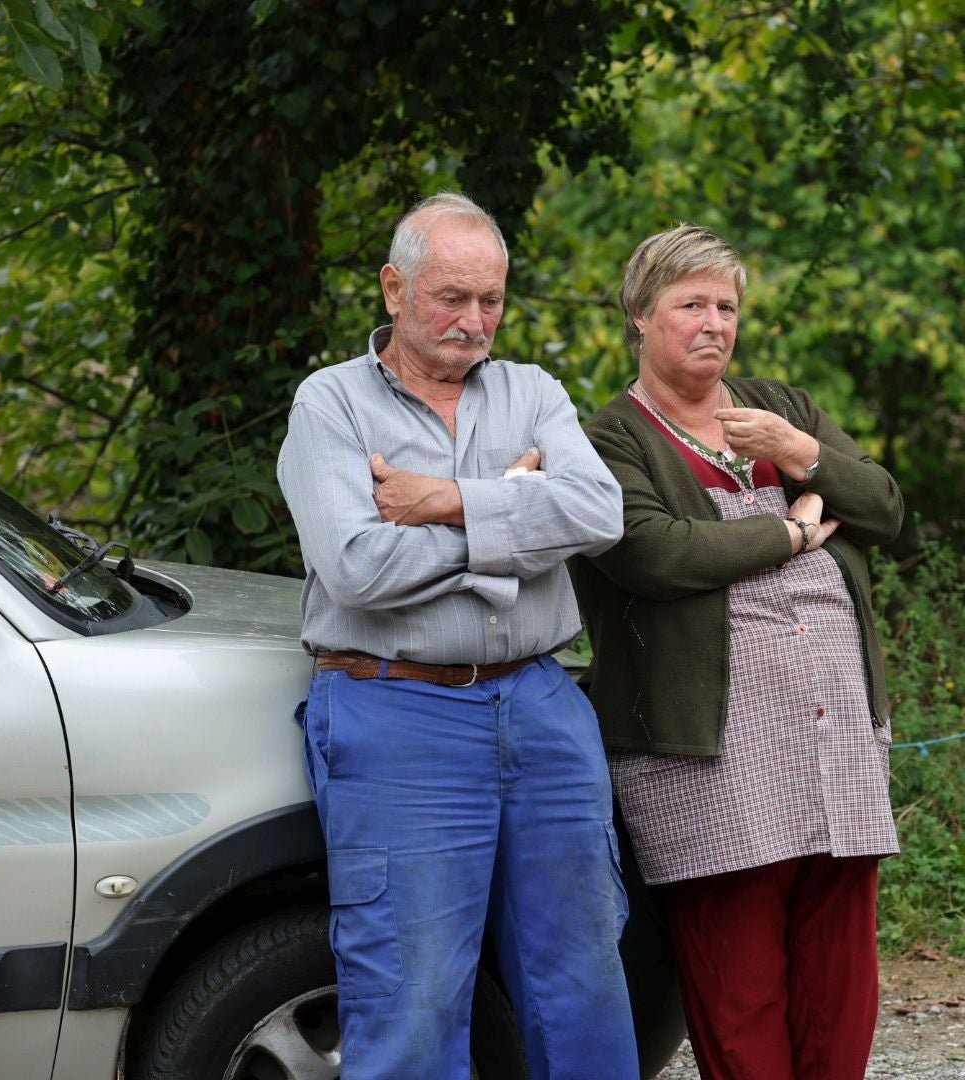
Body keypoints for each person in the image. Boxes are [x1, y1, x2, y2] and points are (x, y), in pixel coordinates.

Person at [276, 191, 638, 1079]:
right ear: (395, 289)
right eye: (451, 297)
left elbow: (599, 512)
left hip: (542, 700)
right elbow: (358, 567)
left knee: (583, 979)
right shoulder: (331, 405)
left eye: (492, 300)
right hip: (396, 703)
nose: (474, 322)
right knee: (412, 992)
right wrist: (512, 521)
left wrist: (444, 502)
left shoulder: (532, 391)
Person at [571, 223, 904, 1079]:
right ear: (640, 317)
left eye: (727, 305)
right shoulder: (611, 438)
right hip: (708, 754)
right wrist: (791, 532)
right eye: (690, 304)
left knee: (841, 978)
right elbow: (654, 554)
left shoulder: (781, 409)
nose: (713, 322)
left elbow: (885, 511)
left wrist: (802, 453)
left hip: (836, 737)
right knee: (739, 986)